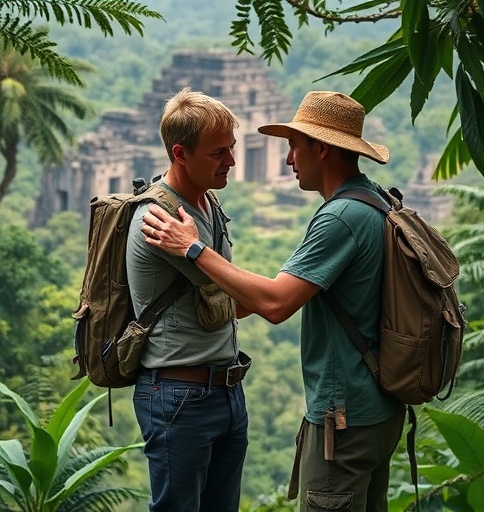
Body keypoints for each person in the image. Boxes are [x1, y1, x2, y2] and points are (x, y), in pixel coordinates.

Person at [141, 90, 406, 512]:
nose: (288, 160)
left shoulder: (340, 217)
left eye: (294, 147)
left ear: (321, 149)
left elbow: (276, 305)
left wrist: (194, 248)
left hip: (345, 413)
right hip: (377, 407)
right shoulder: (374, 200)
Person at [126, 87, 251, 512]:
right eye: (218, 153)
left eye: (231, 148)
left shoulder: (208, 206)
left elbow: (231, 297)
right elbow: (239, 293)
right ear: (180, 153)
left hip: (226, 390)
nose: (231, 162)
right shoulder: (159, 220)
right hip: (179, 396)